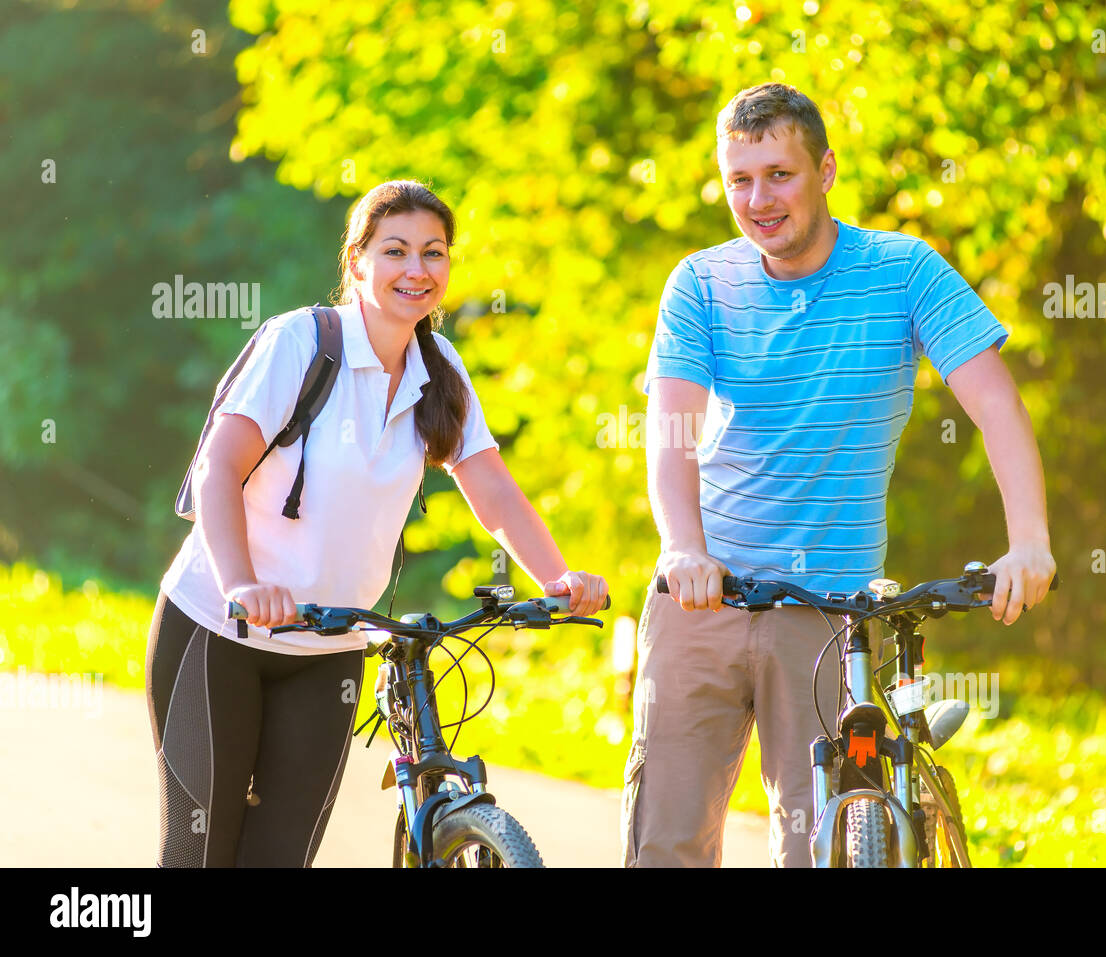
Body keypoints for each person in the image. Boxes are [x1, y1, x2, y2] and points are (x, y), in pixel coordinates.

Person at [623, 84, 1056, 867]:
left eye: (779, 174)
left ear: (825, 170)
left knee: (820, 843)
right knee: (668, 843)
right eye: (739, 180)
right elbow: (673, 430)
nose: (758, 200)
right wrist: (682, 545)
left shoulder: (903, 271)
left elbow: (997, 407)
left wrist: (1028, 540)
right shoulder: (700, 282)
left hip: (829, 609)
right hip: (706, 594)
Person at [148, 179, 608, 867]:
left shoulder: (440, 370)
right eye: (396, 251)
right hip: (219, 633)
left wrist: (558, 577)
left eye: (434, 253)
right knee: (199, 854)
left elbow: (494, 492)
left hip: (329, 648)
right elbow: (218, 468)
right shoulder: (300, 344)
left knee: (280, 858)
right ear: (357, 261)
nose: (417, 270)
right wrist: (243, 583)